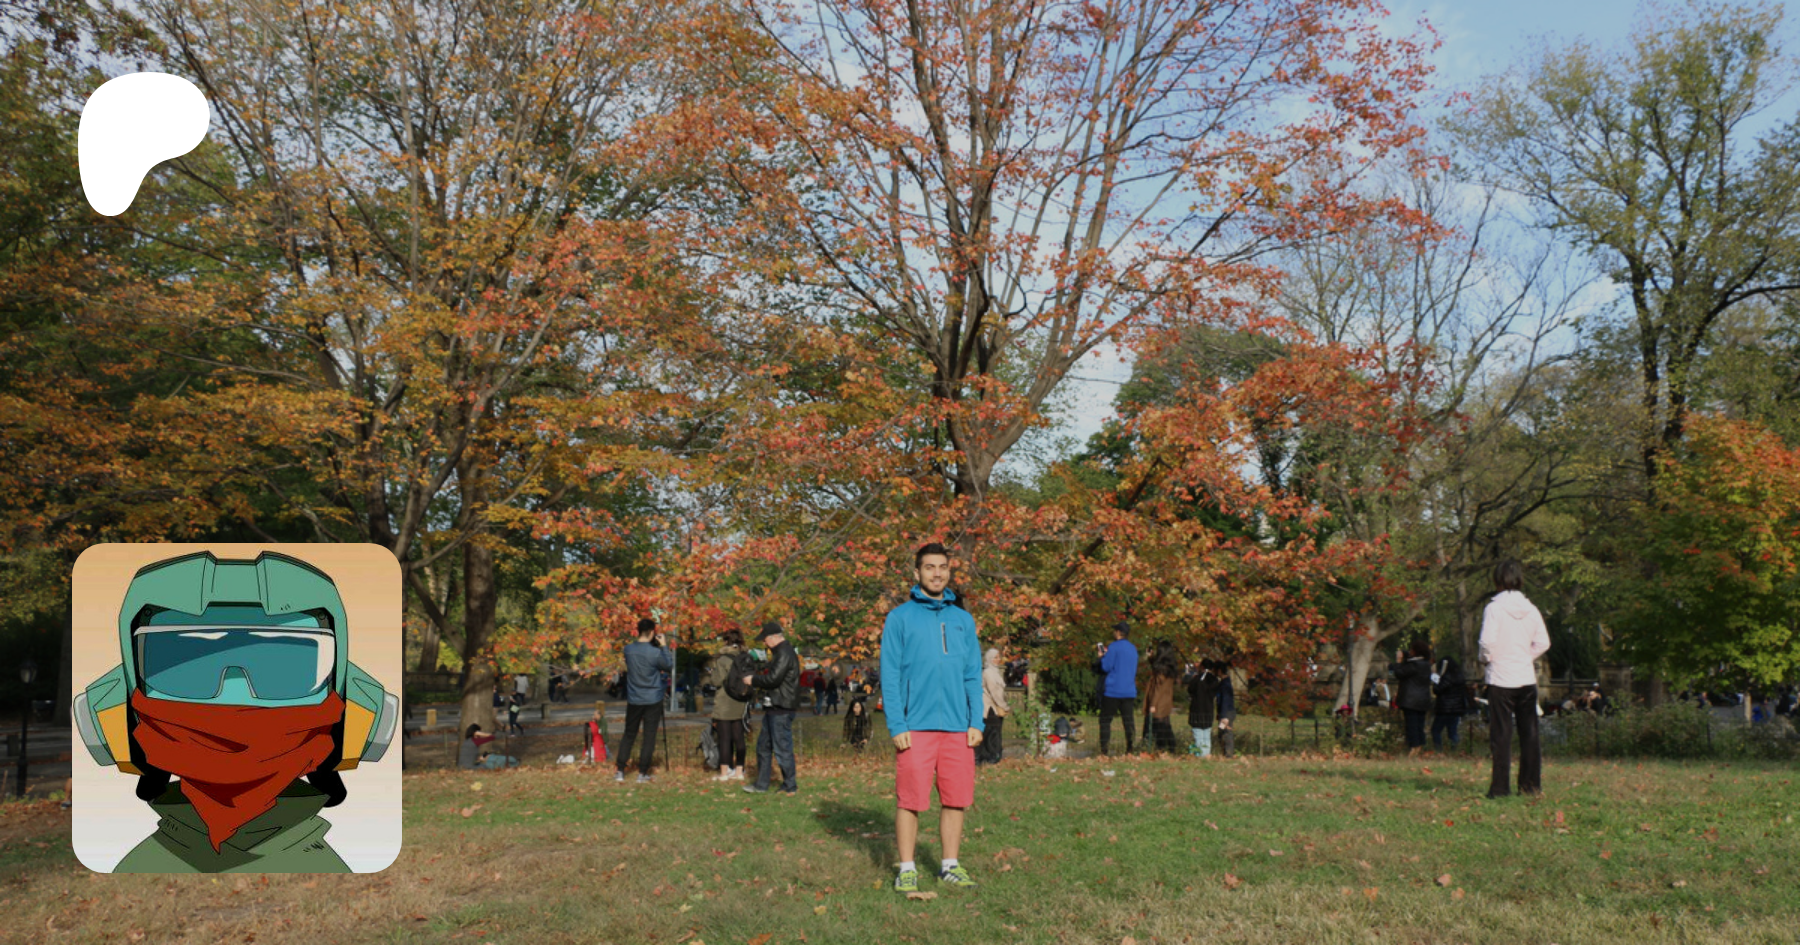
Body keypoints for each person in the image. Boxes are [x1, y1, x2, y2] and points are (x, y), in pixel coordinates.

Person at [883, 542, 985, 894]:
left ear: (949, 571)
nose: (937, 573)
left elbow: (972, 674)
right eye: (930, 567)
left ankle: (950, 865)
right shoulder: (899, 618)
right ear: (917, 573)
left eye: (942, 567)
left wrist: (976, 721)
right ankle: (907, 868)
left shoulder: (963, 620)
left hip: (958, 728)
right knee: (909, 800)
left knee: (955, 798)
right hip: (914, 727)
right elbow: (890, 676)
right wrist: (897, 724)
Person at [1479, 559, 1551, 799]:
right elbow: (1543, 642)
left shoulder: (1494, 608)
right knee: (1530, 734)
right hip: (1525, 677)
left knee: (1501, 735)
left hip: (1501, 678)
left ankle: (1500, 788)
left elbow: (1486, 642)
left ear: (1497, 580)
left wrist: (1487, 659)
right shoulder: (1531, 609)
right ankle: (1530, 786)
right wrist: (1524, 656)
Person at [743, 620, 801, 795]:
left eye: (765, 639)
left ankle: (790, 786)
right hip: (774, 706)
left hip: (781, 708)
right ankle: (762, 785)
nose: (764, 643)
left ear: (774, 637)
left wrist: (753, 680)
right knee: (763, 747)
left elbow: (773, 679)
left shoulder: (784, 653)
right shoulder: (781, 653)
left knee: (782, 748)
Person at [615, 618, 674, 784]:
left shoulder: (628, 650)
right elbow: (668, 665)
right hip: (653, 697)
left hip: (634, 697)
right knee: (649, 736)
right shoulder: (655, 652)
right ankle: (642, 772)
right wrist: (663, 646)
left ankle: (620, 770)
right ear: (652, 632)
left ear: (638, 630)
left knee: (629, 734)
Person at [705, 628, 751, 781]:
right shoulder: (746, 657)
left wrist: (712, 673)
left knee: (724, 738)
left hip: (725, 701)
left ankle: (725, 773)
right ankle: (739, 771)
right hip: (741, 700)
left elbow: (716, 681)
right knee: (739, 738)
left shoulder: (723, 659)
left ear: (726, 641)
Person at [1095, 621, 1139, 755]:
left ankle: (1104, 750)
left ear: (1119, 632)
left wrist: (1102, 657)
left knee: (1105, 721)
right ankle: (1131, 749)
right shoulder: (1133, 648)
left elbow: (1106, 667)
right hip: (1129, 690)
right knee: (1128, 721)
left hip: (1113, 690)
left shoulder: (1114, 647)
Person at [1390, 641, 1433, 752]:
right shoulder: (1426, 664)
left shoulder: (1414, 665)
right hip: (1423, 699)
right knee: (1420, 725)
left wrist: (1398, 661)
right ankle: (1420, 745)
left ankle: (1414, 746)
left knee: (1411, 725)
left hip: (1411, 700)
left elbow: (1399, 673)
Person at [1142, 640, 1181, 753]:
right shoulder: (1170, 667)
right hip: (1166, 700)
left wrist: (1152, 704)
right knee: (1166, 725)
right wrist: (1151, 657)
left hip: (1158, 702)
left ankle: (1160, 749)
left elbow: (1157, 689)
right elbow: (1156, 666)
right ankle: (1171, 747)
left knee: (1157, 727)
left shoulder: (1161, 671)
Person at [1185, 660, 1226, 757]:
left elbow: (1190, 690)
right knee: (1207, 735)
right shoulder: (1215, 680)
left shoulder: (1197, 679)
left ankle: (1200, 755)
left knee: (1198, 735)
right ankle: (1207, 755)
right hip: (1208, 711)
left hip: (1196, 711)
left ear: (1202, 667)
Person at [978, 647, 1010, 765]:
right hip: (990, 708)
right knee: (992, 733)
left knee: (993, 731)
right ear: (989, 659)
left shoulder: (995, 672)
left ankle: (990, 756)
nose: (998, 659)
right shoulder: (988, 673)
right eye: (995, 657)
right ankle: (990, 757)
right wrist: (1004, 706)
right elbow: (994, 692)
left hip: (995, 707)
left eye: (998, 657)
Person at [1430, 655, 1470, 750]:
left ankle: (1438, 749)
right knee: (1452, 731)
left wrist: (1436, 680)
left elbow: (1437, 690)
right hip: (1457, 708)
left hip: (1444, 708)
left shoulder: (1446, 678)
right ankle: (1454, 749)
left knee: (1436, 730)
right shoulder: (1460, 676)